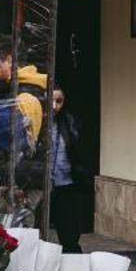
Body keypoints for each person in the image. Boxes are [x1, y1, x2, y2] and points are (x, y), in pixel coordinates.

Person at [46, 86, 92, 252]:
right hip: (42, 183)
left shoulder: (69, 122)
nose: (55, 106)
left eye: (59, 101)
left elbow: (78, 149)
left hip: (65, 182)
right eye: (51, 100)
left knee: (69, 231)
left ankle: (72, 263)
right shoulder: (38, 120)